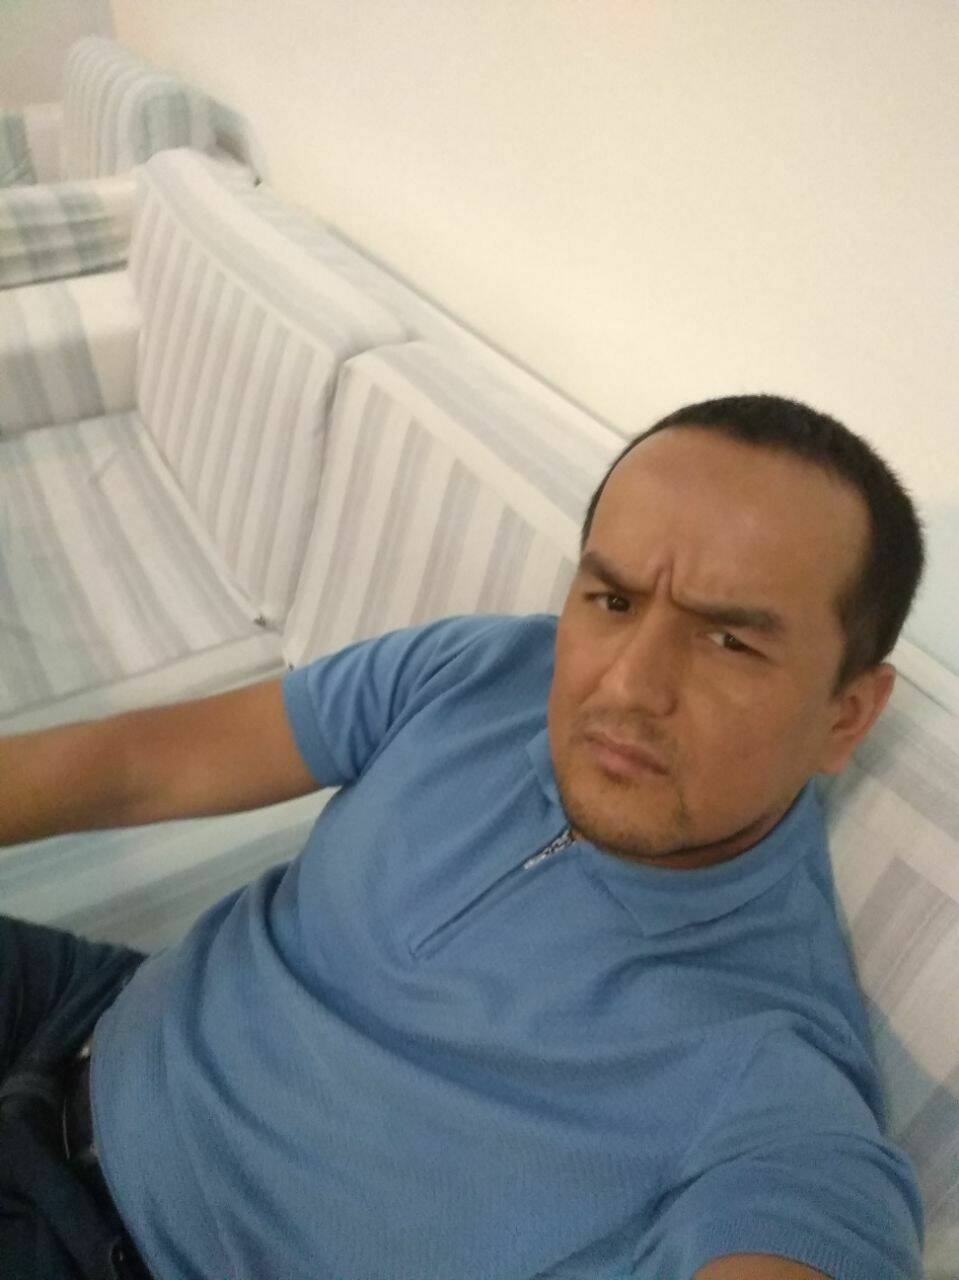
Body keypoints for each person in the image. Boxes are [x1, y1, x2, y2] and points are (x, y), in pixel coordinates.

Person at [0, 394, 928, 1280]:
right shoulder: (482, 669)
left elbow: (809, 1221)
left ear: (846, 714)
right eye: (611, 601)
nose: (627, 686)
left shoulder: (770, 1074)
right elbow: (138, 766)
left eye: (729, 642)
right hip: (86, 1012)